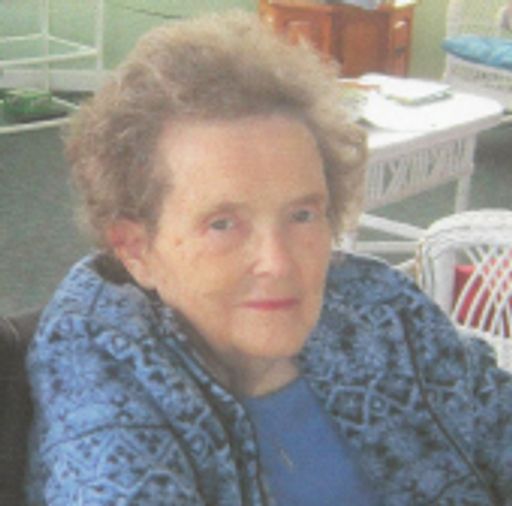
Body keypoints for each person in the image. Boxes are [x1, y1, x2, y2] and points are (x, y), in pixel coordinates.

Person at [25, 11, 512, 506]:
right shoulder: (102, 371)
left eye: (301, 215)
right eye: (223, 224)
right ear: (136, 248)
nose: (278, 263)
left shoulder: (378, 306)